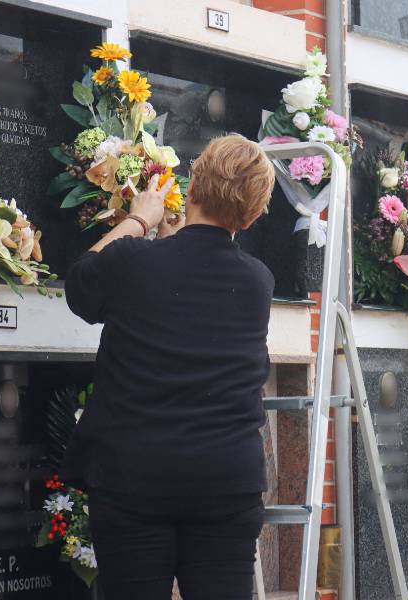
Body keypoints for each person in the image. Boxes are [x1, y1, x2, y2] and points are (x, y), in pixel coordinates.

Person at [64, 134, 276, 599]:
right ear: (253, 215)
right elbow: (186, 288)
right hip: (225, 481)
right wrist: (168, 241)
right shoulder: (258, 281)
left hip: (133, 477)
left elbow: (81, 287)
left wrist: (140, 218)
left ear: (192, 181)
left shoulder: (134, 261)